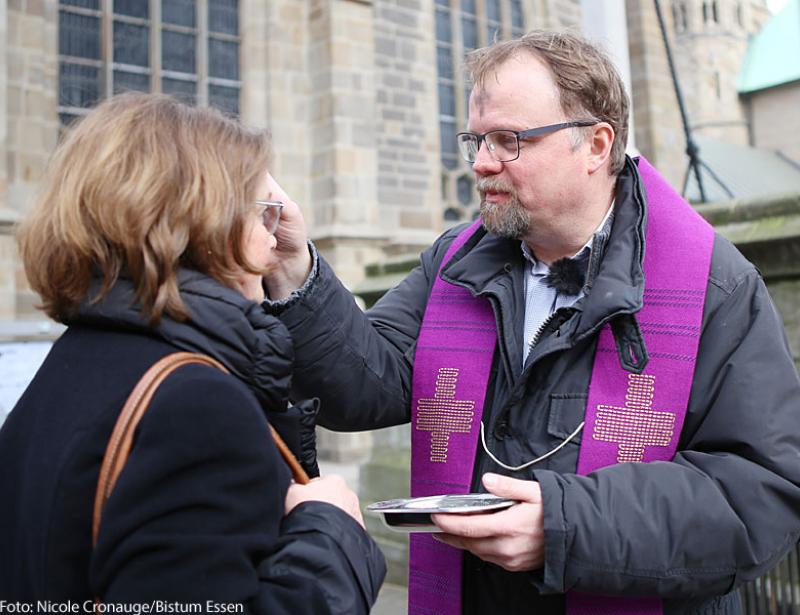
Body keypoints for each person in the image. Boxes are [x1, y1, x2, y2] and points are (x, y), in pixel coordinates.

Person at [260, 30, 800, 615]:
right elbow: (368, 383)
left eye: (509, 140)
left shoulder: (711, 285)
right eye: (476, 139)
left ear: (596, 145)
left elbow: (759, 493)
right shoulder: (455, 263)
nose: (480, 163)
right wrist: (295, 268)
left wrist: (565, 526)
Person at [0, 93, 385, 612]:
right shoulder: (194, 406)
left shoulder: (73, 361)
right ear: (204, 226)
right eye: (262, 214)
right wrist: (330, 534)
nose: (274, 244)